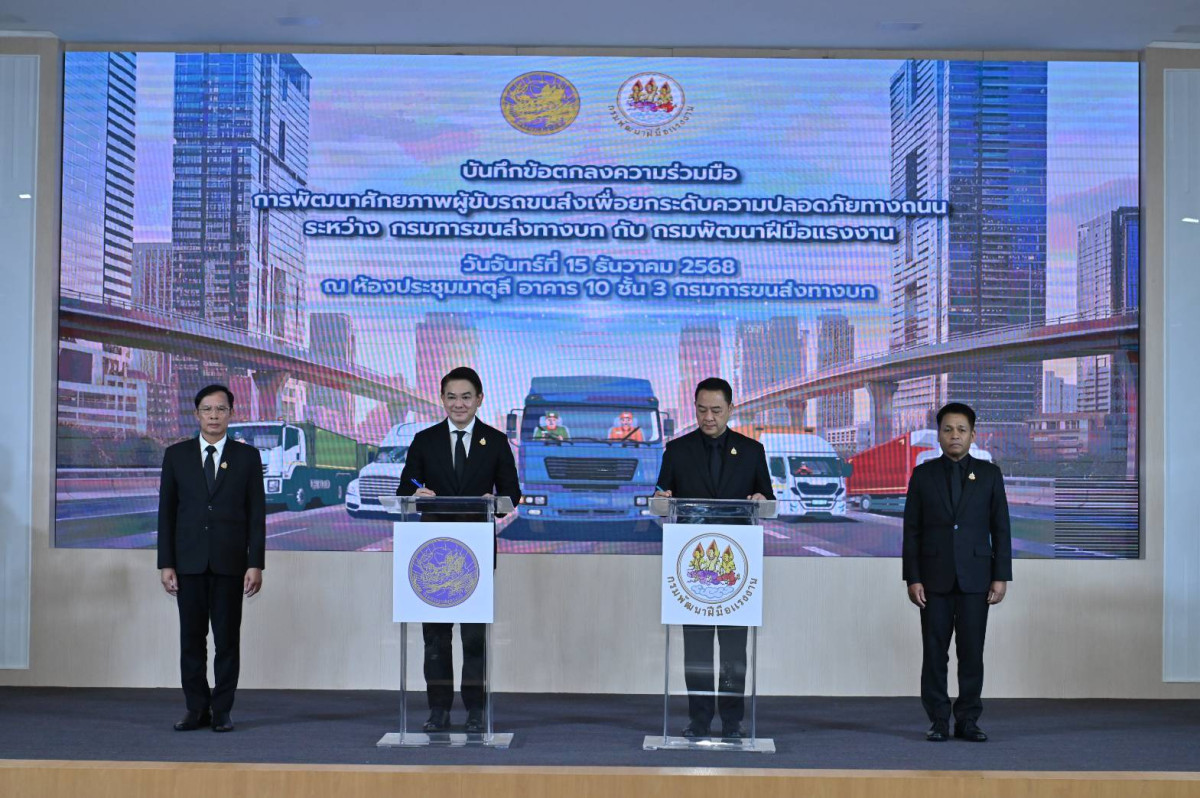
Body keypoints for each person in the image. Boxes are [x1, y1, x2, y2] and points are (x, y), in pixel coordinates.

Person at [397, 366, 522, 734]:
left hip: (474, 553)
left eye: (466, 397)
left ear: (479, 399)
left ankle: (475, 710)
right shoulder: (424, 440)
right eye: (451, 397)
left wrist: (495, 501)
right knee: (435, 637)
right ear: (442, 399)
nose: (459, 404)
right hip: (432, 552)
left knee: (473, 638)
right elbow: (406, 486)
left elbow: (512, 493)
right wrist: (415, 492)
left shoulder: (495, 441)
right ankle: (438, 710)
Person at [654, 377, 773, 739]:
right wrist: (661, 500)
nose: (708, 417)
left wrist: (761, 501)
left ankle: (733, 722)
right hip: (693, 568)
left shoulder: (752, 451)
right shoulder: (677, 450)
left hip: (737, 566)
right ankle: (699, 720)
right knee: (698, 651)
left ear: (730, 409)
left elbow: (767, 500)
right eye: (702, 410)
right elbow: (659, 499)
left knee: (735, 652)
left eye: (716, 410)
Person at [157, 384, 265, 733]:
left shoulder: (247, 457)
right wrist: (166, 563)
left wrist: (255, 563)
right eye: (207, 409)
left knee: (227, 641)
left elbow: (256, 515)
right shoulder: (176, 455)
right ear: (197, 414)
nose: (214, 415)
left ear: (231, 414)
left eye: (220, 409)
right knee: (191, 640)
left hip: (230, 564)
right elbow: (166, 513)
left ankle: (222, 710)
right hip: (188, 564)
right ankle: (196, 708)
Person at [902, 402, 1012, 743]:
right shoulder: (923, 475)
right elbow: (912, 531)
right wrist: (913, 578)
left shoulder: (989, 475)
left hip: (976, 579)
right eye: (948, 429)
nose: (954, 435)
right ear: (938, 435)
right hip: (933, 580)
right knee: (934, 653)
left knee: (971, 653)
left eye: (961, 430)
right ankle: (938, 720)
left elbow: (1001, 529)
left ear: (973, 435)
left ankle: (968, 720)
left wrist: (1000, 576)